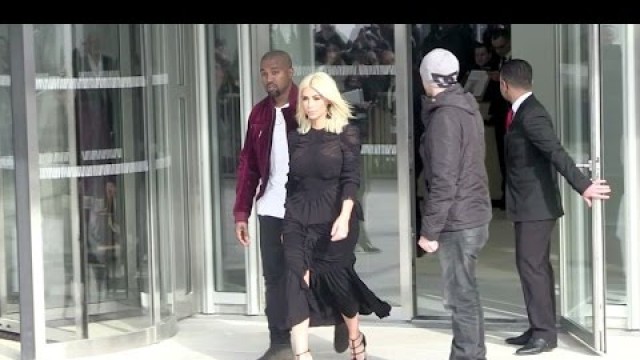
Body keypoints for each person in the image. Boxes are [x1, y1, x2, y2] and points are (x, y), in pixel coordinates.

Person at [232, 51, 348, 360]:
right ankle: (280, 341)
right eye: (263, 72)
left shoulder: (306, 105)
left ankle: (339, 313)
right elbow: (249, 166)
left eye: (275, 71)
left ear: (290, 71)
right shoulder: (258, 114)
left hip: (306, 208)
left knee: (318, 271)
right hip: (271, 208)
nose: (269, 78)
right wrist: (241, 212)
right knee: (275, 277)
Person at [498, 59, 612, 355]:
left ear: (504, 84)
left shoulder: (532, 115)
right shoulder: (522, 111)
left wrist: (583, 185)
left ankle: (545, 334)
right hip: (529, 205)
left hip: (536, 206)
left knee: (531, 267)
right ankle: (540, 326)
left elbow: (555, 152)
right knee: (535, 267)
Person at [279, 71, 391, 360]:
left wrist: (344, 216)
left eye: (316, 98)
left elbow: (351, 178)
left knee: (337, 281)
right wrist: (286, 221)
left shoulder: (346, 133)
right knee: (296, 280)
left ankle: (355, 337)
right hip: (298, 219)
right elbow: (292, 183)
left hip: (334, 218)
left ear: (328, 101)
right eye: (305, 98)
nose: (310, 104)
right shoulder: (295, 137)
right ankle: (302, 354)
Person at [416, 48, 493, 360]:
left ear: (427, 79)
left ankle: (467, 356)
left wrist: (430, 231)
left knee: (460, 297)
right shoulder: (465, 106)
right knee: (466, 294)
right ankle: (472, 354)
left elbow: (444, 179)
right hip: (472, 212)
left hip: (458, 219)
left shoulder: (445, 117)